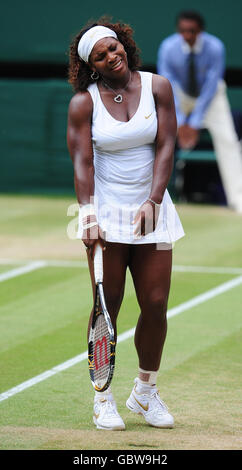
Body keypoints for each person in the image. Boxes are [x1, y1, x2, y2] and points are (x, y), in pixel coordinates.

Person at [67, 18, 184, 431]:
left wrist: (153, 200)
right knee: (108, 306)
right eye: (100, 56)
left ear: (124, 45)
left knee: (155, 303)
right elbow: (83, 160)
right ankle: (103, 399)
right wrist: (87, 214)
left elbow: (167, 143)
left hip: (154, 209)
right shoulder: (84, 102)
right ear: (91, 67)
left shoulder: (158, 86)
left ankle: (145, 392)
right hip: (106, 213)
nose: (111, 57)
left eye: (113, 48)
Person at [157, 10, 242, 213]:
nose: (187, 35)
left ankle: (238, 199)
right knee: (157, 137)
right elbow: (169, 84)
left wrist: (193, 123)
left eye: (191, 31)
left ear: (200, 31)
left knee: (229, 142)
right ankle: (152, 199)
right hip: (179, 96)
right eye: (183, 31)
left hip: (211, 97)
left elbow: (212, 84)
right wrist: (179, 120)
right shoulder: (168, 48)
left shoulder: (215, 47)